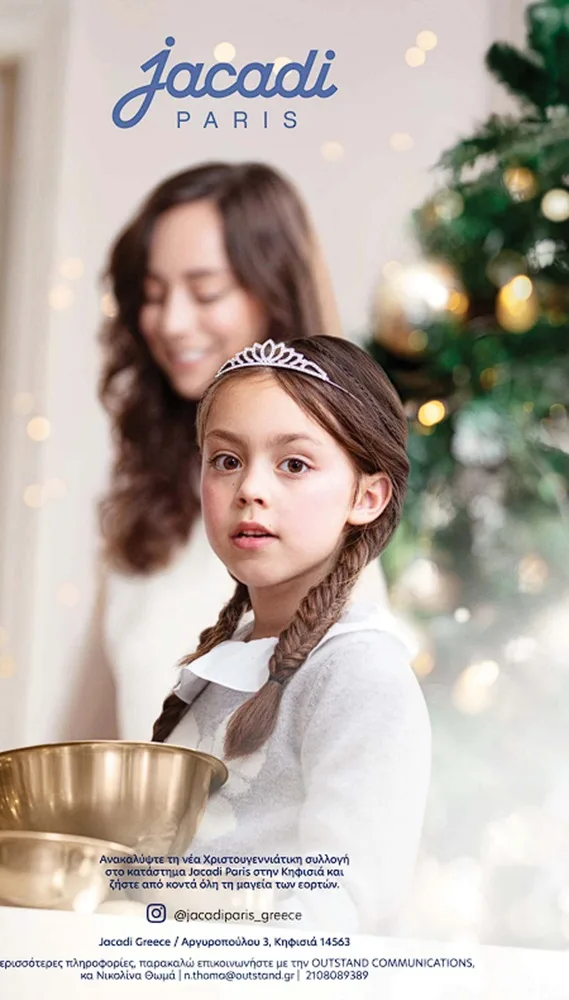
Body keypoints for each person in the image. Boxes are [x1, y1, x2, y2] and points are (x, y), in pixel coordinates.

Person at [63, 162, 389, 743]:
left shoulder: (325, 521)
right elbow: (102, 719)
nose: (172, 322)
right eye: (154, 295)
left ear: (273, 293)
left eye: (205, 291)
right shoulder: (150, 495)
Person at [152, 336, 431, 932]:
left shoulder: (359, 676)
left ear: (367, 496)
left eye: (294, 465)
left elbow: (344, 906)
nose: (250, 489)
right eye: (226, 460)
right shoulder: (223, 665)